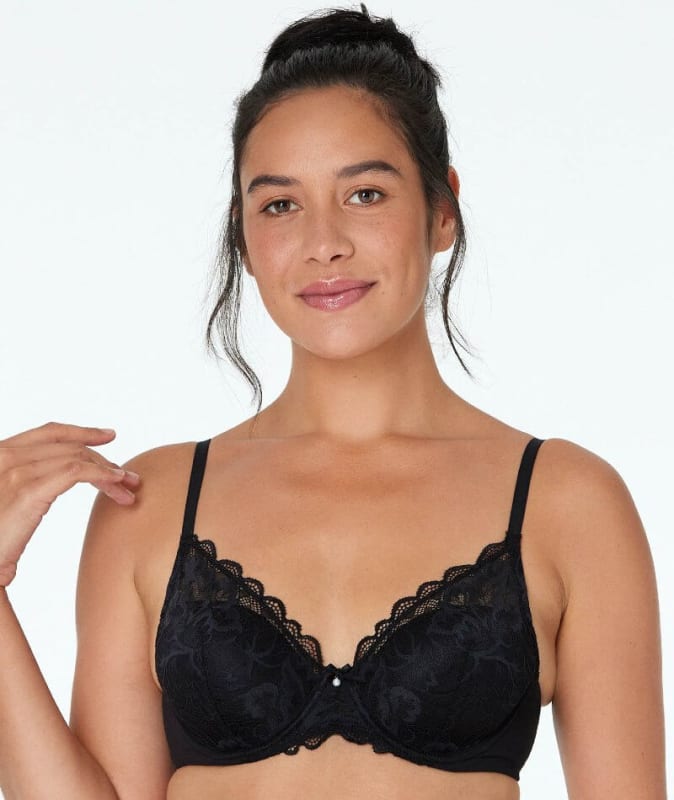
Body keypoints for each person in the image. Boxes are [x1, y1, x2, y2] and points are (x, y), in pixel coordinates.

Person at [0, 4, 666, 799]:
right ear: (244, 238)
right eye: (280, 205)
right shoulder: (149, 501)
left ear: (443, 209)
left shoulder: (568, 502)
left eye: (366, 194)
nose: (324, 244)